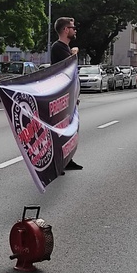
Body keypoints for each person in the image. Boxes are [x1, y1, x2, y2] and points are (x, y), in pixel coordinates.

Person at [50, 17, 83, 171]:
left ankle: (67, 159)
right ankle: (59, 162)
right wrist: (74, 52)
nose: (74, 30)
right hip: (62, 95)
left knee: (71, 128)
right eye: (72, 27)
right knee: (62, 129)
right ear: (65, 30)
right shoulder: (58, 47)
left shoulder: (64, 48)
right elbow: (68, 65)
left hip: (69, 95)